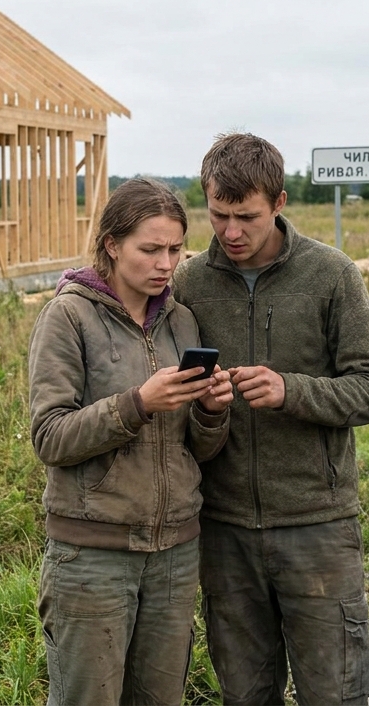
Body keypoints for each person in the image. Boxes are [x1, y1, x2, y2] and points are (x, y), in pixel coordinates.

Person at [172, 133, 369, 706]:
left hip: (317, 525)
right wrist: (207, 405)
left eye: (246, 216)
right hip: (224, 530)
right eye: (218, 215)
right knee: (244, 694)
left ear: (280, 202)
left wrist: (288, 390)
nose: (231, 232)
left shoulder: (332, 275)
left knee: (335, 691)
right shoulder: (188, 283)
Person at [28, 177, 234, 706]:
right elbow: (50, 437)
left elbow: (198, 451)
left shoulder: (183, 323)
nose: (166, 264)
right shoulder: (68, 316)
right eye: (150, 249)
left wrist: (211, 412)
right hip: (92, 556)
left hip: (174, 554)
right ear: (112, 244)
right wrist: (137, 403)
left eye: (174, 249)